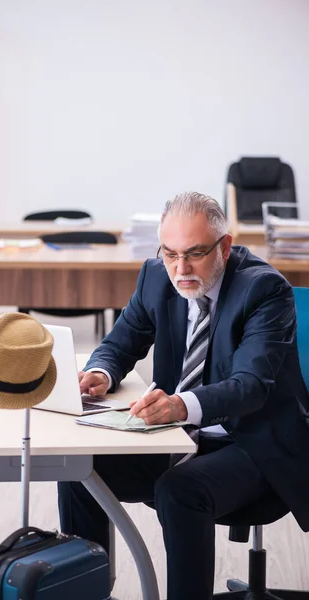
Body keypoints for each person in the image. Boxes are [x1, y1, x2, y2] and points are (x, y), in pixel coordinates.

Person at [58, 191, 309, 600]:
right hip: (179, 436)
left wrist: (178, 405)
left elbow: (250, 385)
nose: (180, 268)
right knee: (79, 469)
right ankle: (87, 590)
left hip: (255, 444)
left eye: (194, 253)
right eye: (170, 253)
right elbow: (121, 342)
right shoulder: (156, 276)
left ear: (224, 247)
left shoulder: (264, 291)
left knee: (179, 490)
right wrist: (102, 373)